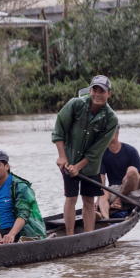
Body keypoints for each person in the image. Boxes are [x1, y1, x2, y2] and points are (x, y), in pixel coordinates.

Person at [52, 75, 119, 235]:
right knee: (71, 198)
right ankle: (69, 236)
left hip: (90, 166)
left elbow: (97, 150)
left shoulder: (111, 119)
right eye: (94, 90)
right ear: (90, 91)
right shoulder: (75, 104)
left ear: (108, 94)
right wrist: (62, 157)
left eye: (101, 91)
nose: (97, 94)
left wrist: (79, 167)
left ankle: (88, 235)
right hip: (68, 161)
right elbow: (59, 129)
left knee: (88, 201)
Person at [97, 126, 140, 219]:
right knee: (103, 191)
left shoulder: (130, 150)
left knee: (132, 170)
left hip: (132, 191)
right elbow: (102, 178)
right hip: (114, 190)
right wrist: (98, 199)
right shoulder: (103, 153)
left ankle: (119, 200)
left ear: (117, 133)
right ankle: (106, 219)